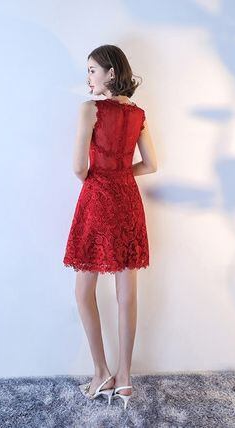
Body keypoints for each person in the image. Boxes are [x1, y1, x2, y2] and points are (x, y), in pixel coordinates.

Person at [63, 44, 157, 409]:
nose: (88, 77)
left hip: (98, 199)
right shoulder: (139, 115)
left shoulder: (90, 109)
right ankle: (125, 378)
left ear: (111, 73)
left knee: (83, 291)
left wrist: (101, 177)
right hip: (128, 200)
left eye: (91, 70)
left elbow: (78, 168)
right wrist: (120, 173)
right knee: (127, 294)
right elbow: (151, 164)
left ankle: (101, 372)